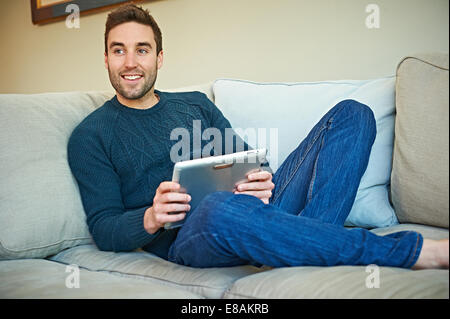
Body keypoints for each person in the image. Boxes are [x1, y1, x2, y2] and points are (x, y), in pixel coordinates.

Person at [68, 4, 448, 270]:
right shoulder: (90, 135)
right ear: (106, 58)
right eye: (119, 51)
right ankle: (413, 253)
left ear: (159, 58)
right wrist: (150, 217)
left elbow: (245, 160)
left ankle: (298, 245)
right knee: (218, 207)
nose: (131, 62)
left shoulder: (195, 105)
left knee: (354, 114)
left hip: (259, 212)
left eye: (142, 50)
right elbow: (104, 228)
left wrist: (261, 179)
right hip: (198, 234)